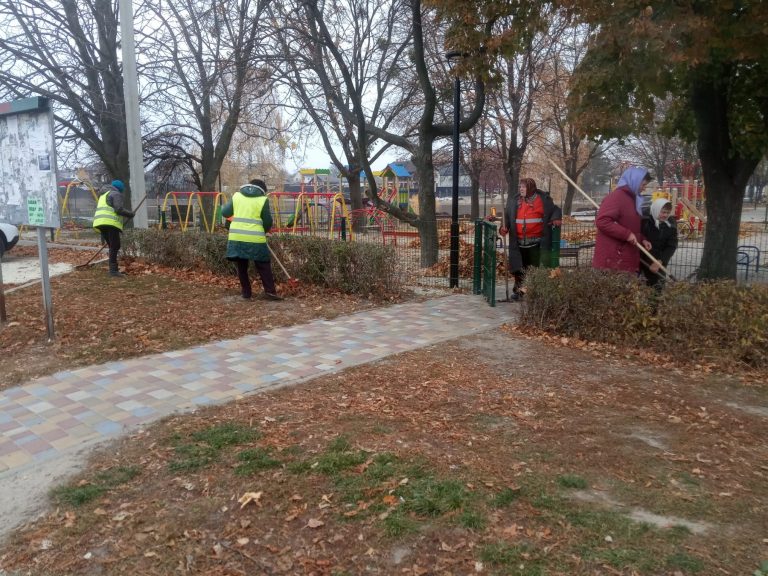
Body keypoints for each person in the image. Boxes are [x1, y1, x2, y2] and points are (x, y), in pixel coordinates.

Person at [499, 178, 562, 299]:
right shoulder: (514, 200)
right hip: (518, 242)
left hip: (537, 242)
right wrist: (503, 227)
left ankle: (536, 292)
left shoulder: (543, 200)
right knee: (519, 269)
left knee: (534, 269)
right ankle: (518, 291)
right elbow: (507, 216)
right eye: (520, 187)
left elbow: (555, 209)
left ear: (531, 188)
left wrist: (556, 217)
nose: (521, 189)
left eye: (523, 187)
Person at [221, 179, 283, 301]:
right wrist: (263, 231)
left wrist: (233, 221)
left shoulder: (237, 196)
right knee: (263, 264)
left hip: (236, 237)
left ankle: (246, 293)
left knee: (242, 266)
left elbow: (225, 212)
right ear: (262, 190)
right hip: (256, 239)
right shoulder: (262, 200)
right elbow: (267, 221)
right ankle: (270, 292)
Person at [592, 167, 653, 273]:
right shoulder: (616, 197)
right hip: (612, 260)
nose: (644, 188)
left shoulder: (632, 199)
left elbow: (628, 225)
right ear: (634, 181)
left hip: (624, 258)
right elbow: (602, 221)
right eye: (643, 185)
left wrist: (641, 238)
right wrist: (627, 234)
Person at [92, 179, 134, 277]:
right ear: (120, 189)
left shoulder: (103, 195)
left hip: (100, 223)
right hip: (110, 223)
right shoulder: (115, 193)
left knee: (112, 246)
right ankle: (113, 271)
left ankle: (113, 269)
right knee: (115, 246)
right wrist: (130, 214)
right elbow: (118, 209)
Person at [640, 198, 677, 287]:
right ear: (656, 209)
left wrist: (660, 262)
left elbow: (671, 246)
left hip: (658, 262)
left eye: (668, 213)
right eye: (663, 212)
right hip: (642, 260)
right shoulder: (645, 221)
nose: (665, 215)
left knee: (657, 288)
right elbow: (638, 236)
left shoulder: (670, 225)